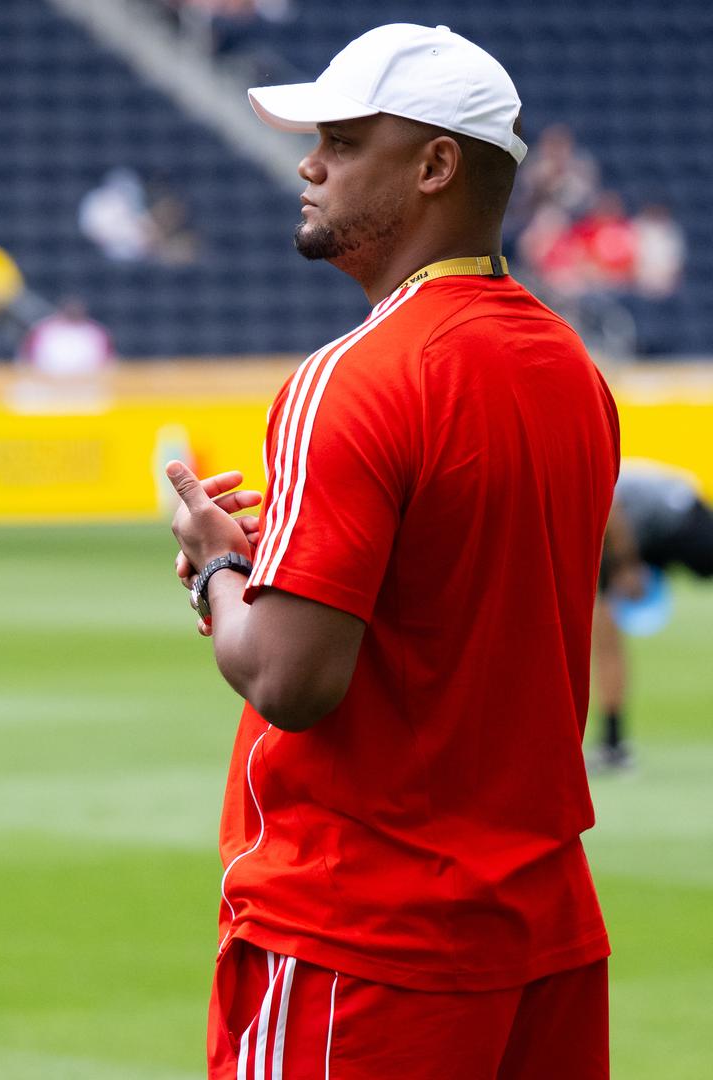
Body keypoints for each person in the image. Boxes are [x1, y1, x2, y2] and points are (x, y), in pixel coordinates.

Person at [166, 25, 619, 1078]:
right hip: (539, 924)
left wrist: (216, 569)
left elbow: (292, 678)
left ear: (433, 166)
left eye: (343, 138)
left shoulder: (357, 375)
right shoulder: (569, 368)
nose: (308, 163)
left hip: (362, 934)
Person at [592, 459, 713, 771]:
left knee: (603, 624)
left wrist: (629, 564)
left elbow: (612, 508)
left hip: (678, 521)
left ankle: (613, 743)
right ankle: (613, 742)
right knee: (603, 626)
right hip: (643, 530)